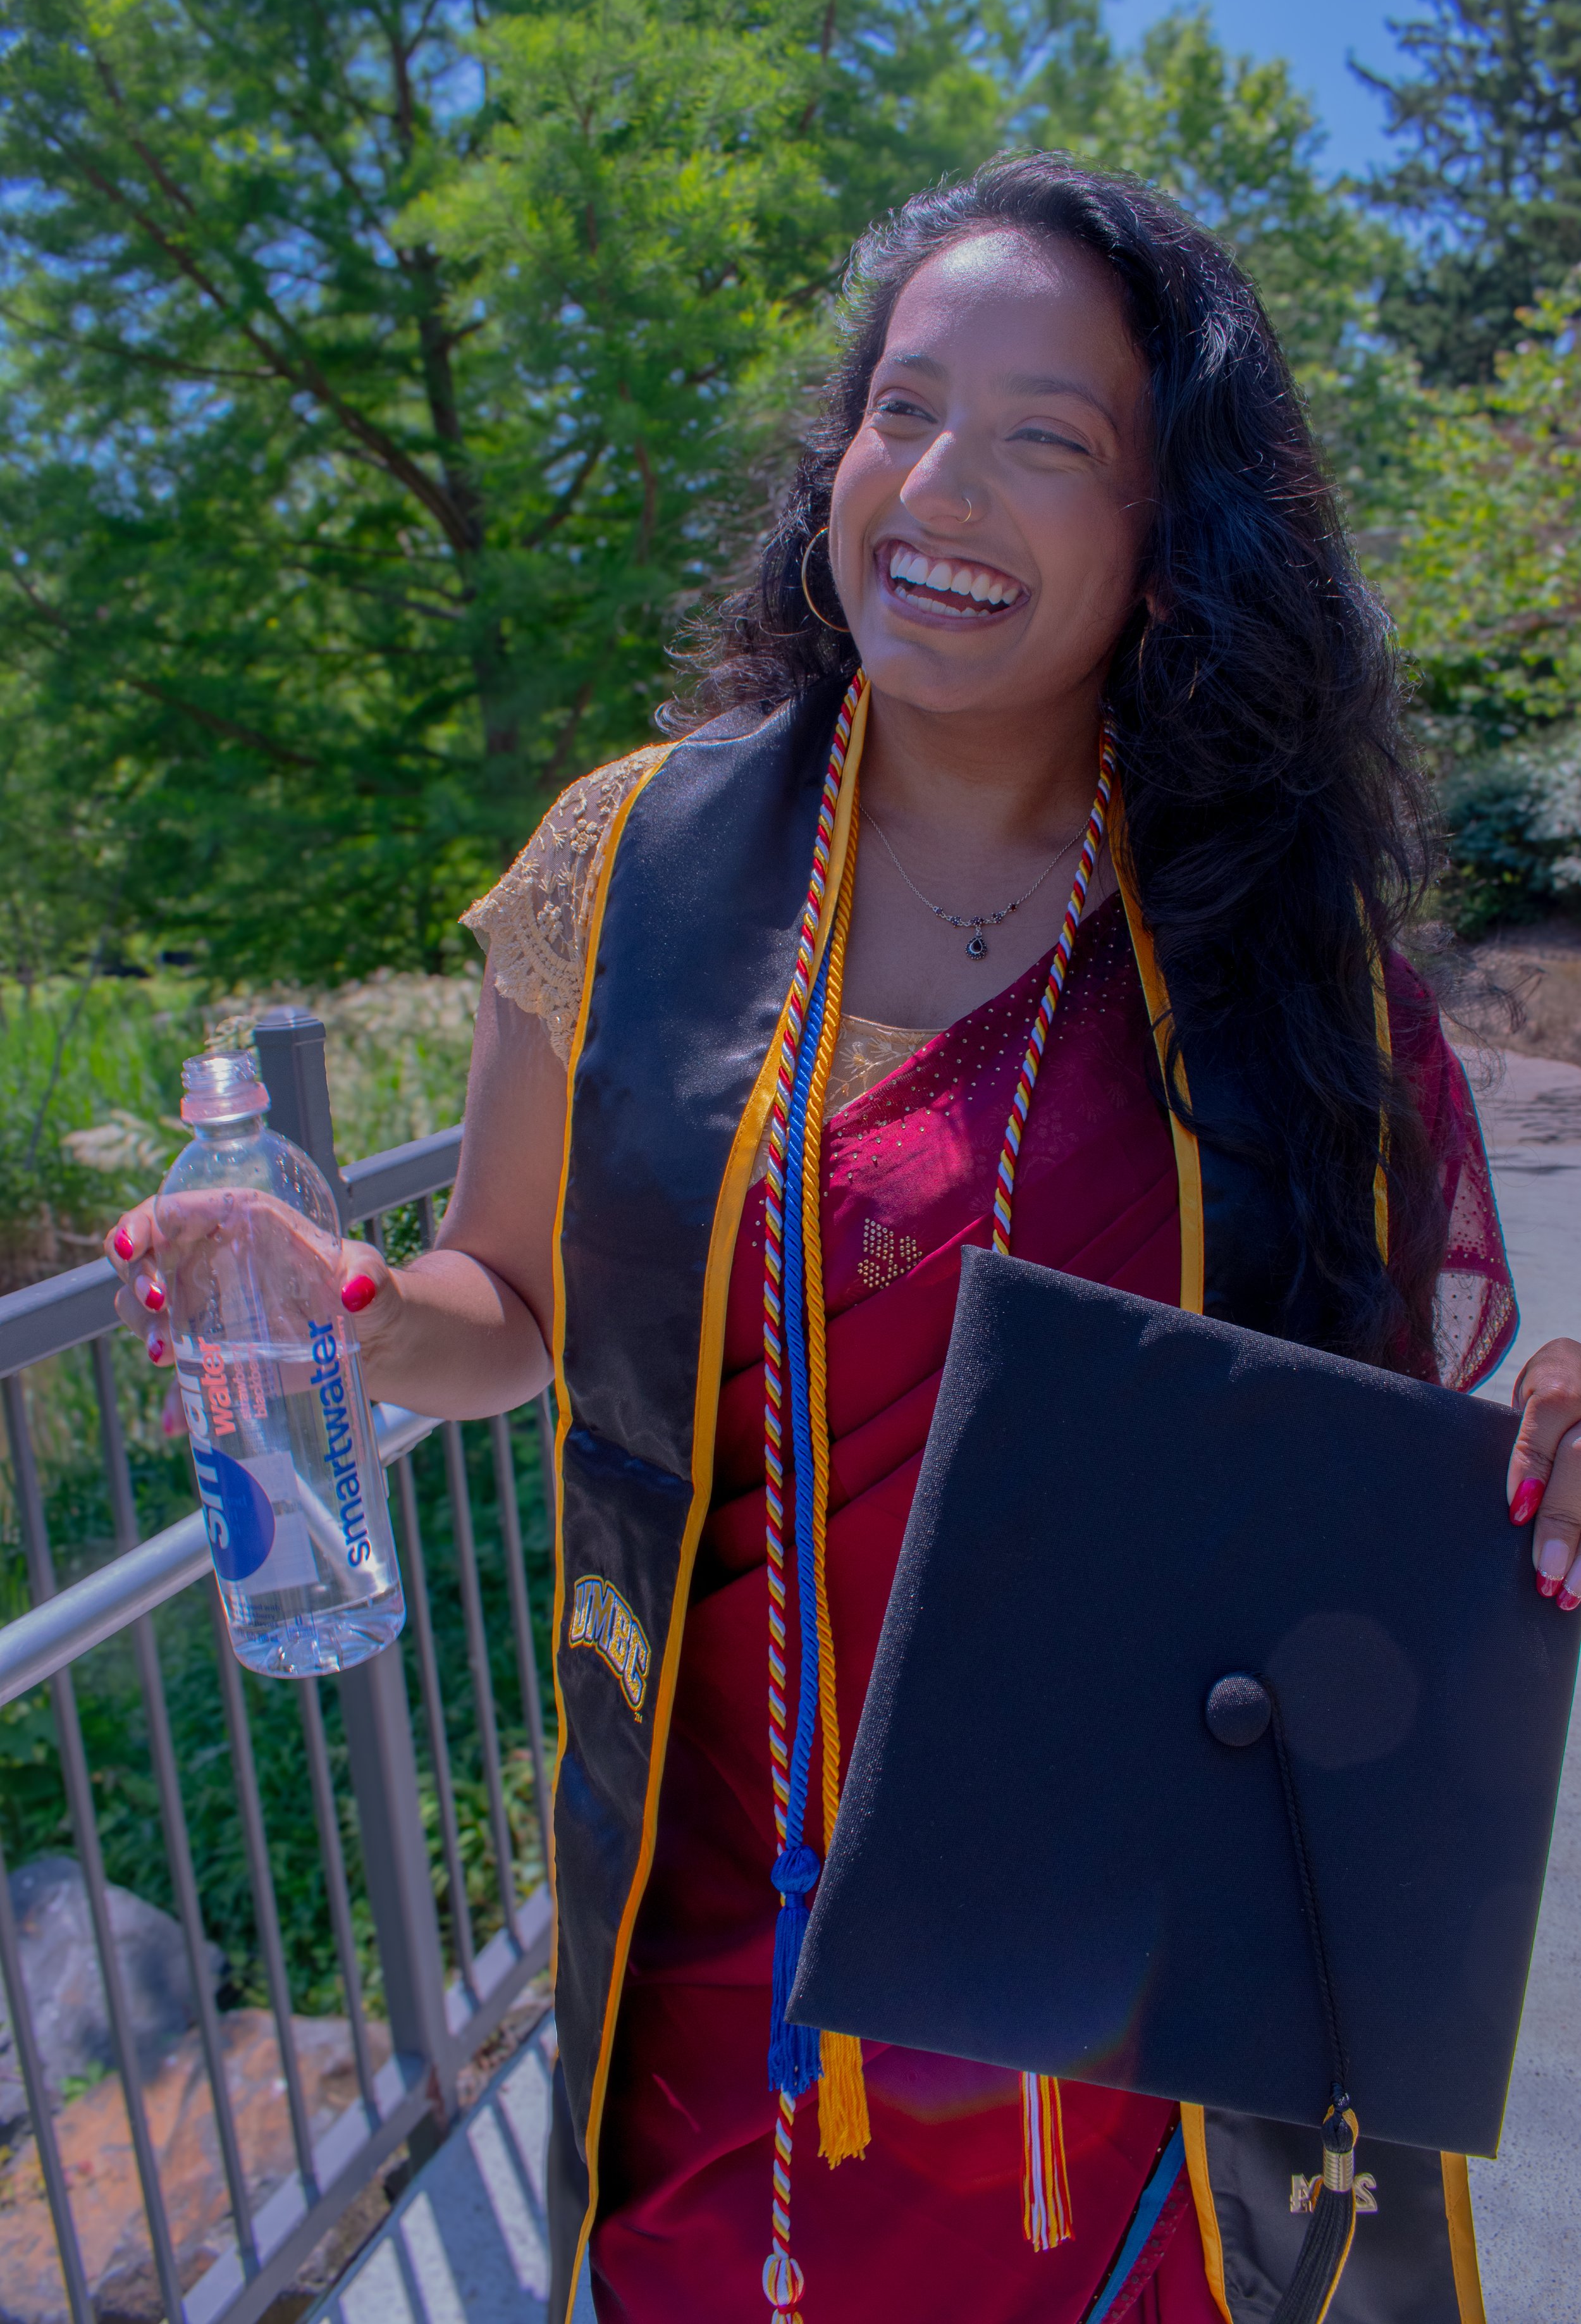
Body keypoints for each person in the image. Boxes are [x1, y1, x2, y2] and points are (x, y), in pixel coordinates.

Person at [109, 156, 1581, 2324]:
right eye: (900, 410)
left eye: (1045, 437)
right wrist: (338, 1324)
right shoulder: (621, 865)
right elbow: (501, 1310)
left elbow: (1377, 1455)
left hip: (1139, 2019)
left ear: (1171, 542)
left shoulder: (1270, 954)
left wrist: (1542, 1459)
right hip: (734, 1966)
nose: (939, 483)